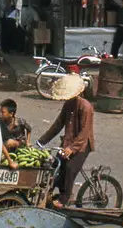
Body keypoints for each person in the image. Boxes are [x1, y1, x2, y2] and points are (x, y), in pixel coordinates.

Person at [37, 74, 95, 208]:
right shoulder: (68, 105)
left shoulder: (86, 107)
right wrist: (42, 141)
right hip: (68, 143)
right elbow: (58, 125)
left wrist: (71, 149)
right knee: (56, 166)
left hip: (82, 146)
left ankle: (65, 197)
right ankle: (53, 193)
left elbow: (84, 133)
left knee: (69, 168)